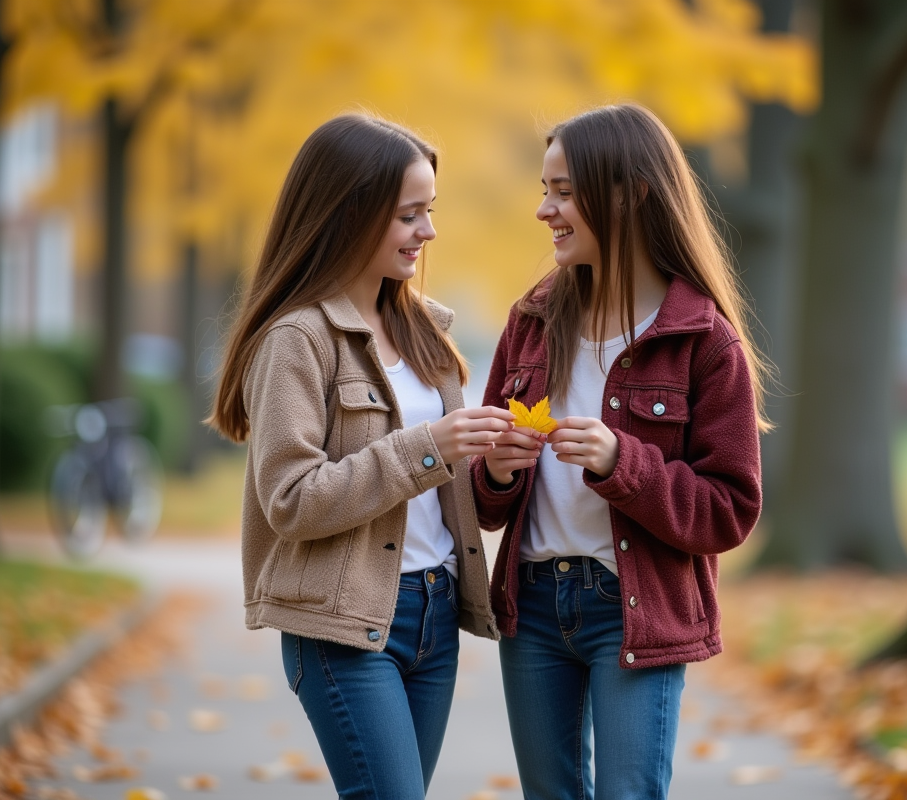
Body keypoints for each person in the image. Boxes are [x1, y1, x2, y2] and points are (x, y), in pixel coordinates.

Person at [470, 104, 769, 799]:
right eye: (545, 191)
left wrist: (620, 462)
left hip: (634, 611)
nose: (545, 210)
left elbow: (730, 511)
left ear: (630, 192)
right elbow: (484, 504)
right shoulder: (531, 322)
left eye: (565, 191)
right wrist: (496, 469)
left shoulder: (704, 341)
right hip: (535, 607)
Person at [209, 114, 510, 800]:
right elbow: (290, 499)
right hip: (346, 626)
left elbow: (443, 480)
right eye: (410, 215)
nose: (428, 232)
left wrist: (493, 463)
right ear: (350, 214)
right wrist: (427, 448)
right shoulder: (297, 340)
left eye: (428, 212)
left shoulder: (424, 329)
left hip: (436, 613)